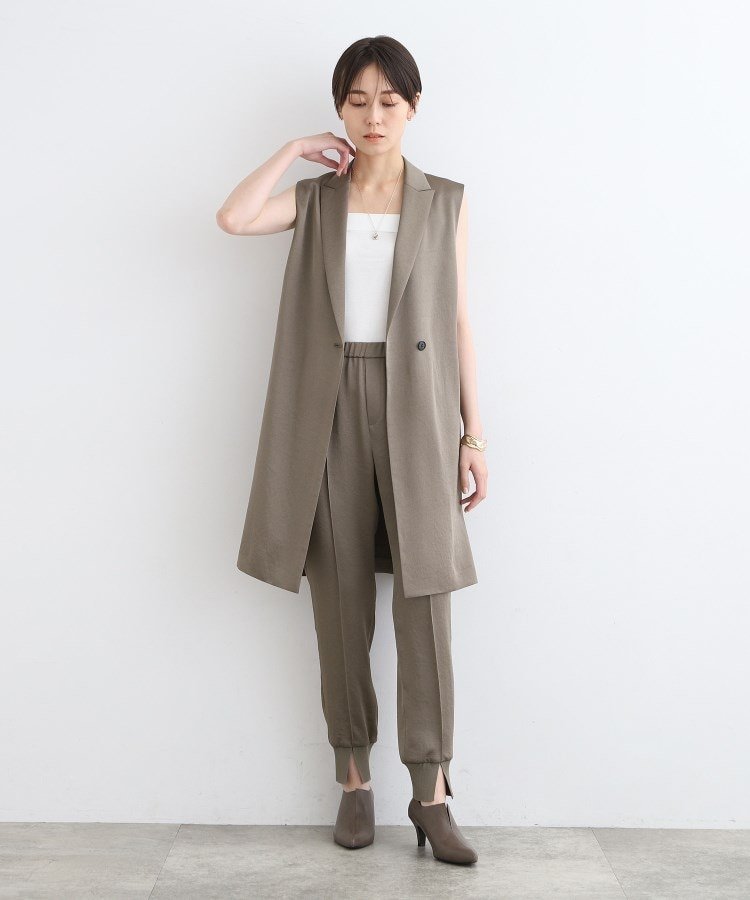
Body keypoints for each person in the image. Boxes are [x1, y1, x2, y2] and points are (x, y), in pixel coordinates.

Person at [216, 35, 487, 866]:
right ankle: (354, 782)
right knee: (339, 601)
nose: (374, 116)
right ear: (340, 108)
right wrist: (292, 150)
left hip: (418, 409)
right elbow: (233, 218)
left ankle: (431, 795)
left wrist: (474, 435)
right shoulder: (316, 199)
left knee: (426, 599)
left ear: (413, 108)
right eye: (358, 100)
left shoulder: (444, 201)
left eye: (389, 101)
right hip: (327, 409)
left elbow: (458, 320)